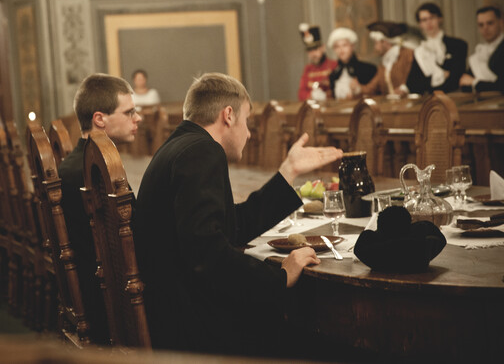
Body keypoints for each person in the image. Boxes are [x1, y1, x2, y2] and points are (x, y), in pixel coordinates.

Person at [133, 72, 343, 357]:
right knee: (315, 338)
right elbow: (207, 254)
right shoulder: (202, 151)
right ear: (228, 115)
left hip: (172, 314)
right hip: (192, 331)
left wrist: (288, 171)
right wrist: (280, 277)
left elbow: (229, 226)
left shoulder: (180, 146)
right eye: (247, 121)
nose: (249, 133)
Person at [58, 73, 142, 343]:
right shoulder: (94, 173)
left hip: (90, 293)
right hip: (110, 304)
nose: (138, 118)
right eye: (129, 112)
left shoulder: (76, 164)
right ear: (99, 119)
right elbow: (132, 239)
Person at [405, 2, 467, 95]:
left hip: (455, 96)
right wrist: (442, 75)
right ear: (420, 24)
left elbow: (457, 77)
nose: (428, 23)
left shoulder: (458, 45)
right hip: (430, 98)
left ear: (440, 19)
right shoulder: (419, 51)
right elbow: (413, 84)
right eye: (424, 20)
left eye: (432, 18)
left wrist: (428, 80)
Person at [459, 6, 504, 95]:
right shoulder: (479, 53)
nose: (485, 28)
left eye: (490, 23)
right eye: (481, 25)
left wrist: (475, 82)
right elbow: (465, 84)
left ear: (500, 22)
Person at [359, 21, 415, 96]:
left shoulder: (407, 54)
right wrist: (357, 89)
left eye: (376, 43)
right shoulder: (383, 64)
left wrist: (405, 88)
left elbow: (415, 77)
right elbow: (372, 88)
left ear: (385, 42)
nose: (375, 47)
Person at [328, 27, 377, 99]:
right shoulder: (334, 75)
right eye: (337, 47)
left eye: (344, 45)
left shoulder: (368, 69)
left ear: (352, 46)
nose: (341, 50)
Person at [297, 23, 337, 101]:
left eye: (315, 49)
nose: (313, 54)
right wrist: (311, 95)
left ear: (323, 48)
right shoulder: (308, 69)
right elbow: (301, 93)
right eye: (309, 50)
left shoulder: (334, 65)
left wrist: (327, 95)